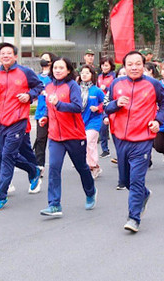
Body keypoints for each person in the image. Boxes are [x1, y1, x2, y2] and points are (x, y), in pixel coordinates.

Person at [104, 50, 164, 233]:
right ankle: (145, 194)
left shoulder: (153, 84)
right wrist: (116, 104)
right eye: (130, 64)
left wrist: (158, 120)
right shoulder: (116, 84)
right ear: (124, 67)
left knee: (135, 180)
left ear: (144, 65)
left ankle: (133, 218)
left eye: (138, 64)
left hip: (142, 138)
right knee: (125, 180)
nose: (134, 67)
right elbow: (106, 107)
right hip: (120, 138)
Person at [0, 43, 44, 211]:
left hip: (17, 121)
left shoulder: (25, 72)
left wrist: (29, 95)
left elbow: (39, 86)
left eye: (9, 53)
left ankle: (1, 196)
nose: (5, 56)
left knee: (8, 156)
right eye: (2, 53)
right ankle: (33, 170)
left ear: (15, 56)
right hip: (0, 122)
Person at [39, 57, 98, 217]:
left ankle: (90, 191)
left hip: (74, 135)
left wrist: (59, 104)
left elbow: (77, 107)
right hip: (55, 136)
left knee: (81, 168)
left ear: (69, 70)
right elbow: (49, 107)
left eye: (61, 67)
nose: (57, 70)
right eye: (55, 67)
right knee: (54, 168)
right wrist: (45, 116)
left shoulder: (72, 86)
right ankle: (54, 205)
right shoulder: (49, 85)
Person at [79, 64, 105, 178]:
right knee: (84, 144)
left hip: (94, 120)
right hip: (80, 121)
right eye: (82, 73)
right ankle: (93, 166)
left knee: (90, 142)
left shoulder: (96, 90)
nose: (84, 75)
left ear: (92, 75)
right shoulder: (76, 89)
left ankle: (93, 166)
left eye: (87, 73)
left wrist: (98, 108)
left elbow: (106, 103)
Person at [33, 52, 55, 172]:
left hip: (54, 112)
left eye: (46, 59)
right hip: (41, 112)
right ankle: (39, 165)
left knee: (55, 140)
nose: (43, 61)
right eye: (42, 58)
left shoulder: (54, 77)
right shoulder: (37, 77)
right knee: (40, 139)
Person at [97, 56, 116, 158]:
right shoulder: (99, 77)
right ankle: (105, 149)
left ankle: (120, 151)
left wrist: (107, 88)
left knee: (114, 128)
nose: (104, 67)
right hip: (101, 104)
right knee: (102, 128)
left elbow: (115, 88)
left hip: (111, 103)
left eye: (106, 65)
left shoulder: (114, 76)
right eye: (103, 65)